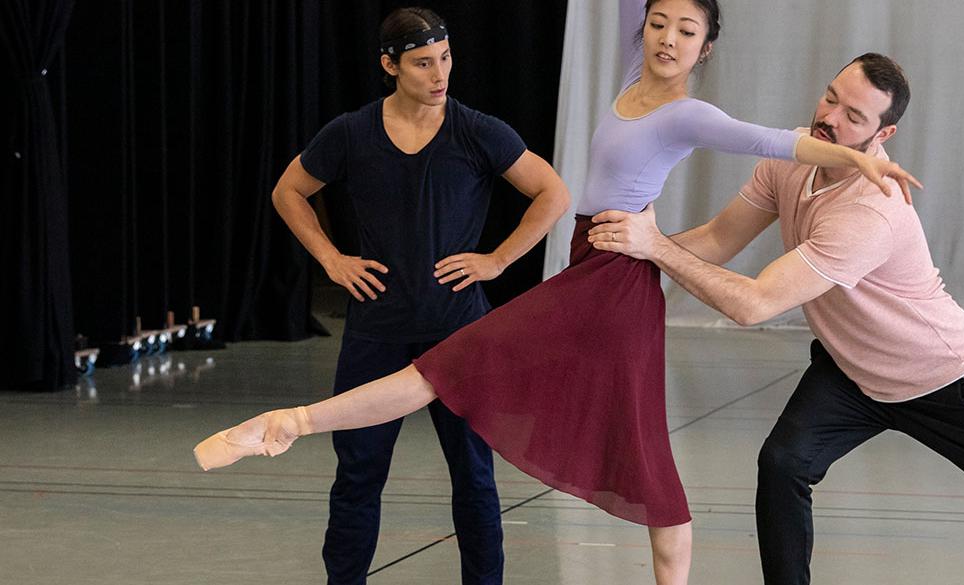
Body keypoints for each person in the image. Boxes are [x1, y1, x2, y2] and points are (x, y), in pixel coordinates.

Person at [192, 2, 920, 584]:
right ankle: (293, 423)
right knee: (637, 456)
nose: (668, 38)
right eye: (660, 23)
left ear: (707, 47)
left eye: (687, 31)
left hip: (612, 280)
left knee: (444, 371)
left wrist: (860, 160)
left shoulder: (690, 114)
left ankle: (292, 422)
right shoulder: (635, 84)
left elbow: (777, 142)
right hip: (594, 265)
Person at [586, 53, 964, 585]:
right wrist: (629, 252)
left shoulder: (871, 212)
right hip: (850, 372)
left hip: (942, 380)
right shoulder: (791, 159)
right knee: (783, 465)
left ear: (883, 134)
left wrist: (655, 248)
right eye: (831, 97)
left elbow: (754, 304)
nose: (831, 117)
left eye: (854, 114)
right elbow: (716, 240)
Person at [261, 8, 571, 585]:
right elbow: (289, 191)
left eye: (446, 59)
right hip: (376, 333)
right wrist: (331, 259)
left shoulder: (477, 129)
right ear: (390, 65)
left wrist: (497, 260)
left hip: (460, 334)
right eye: (424, 63)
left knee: (474, 477)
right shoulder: (351, 133)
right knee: (358, 474)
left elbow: (551, 191)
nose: (440, 74)